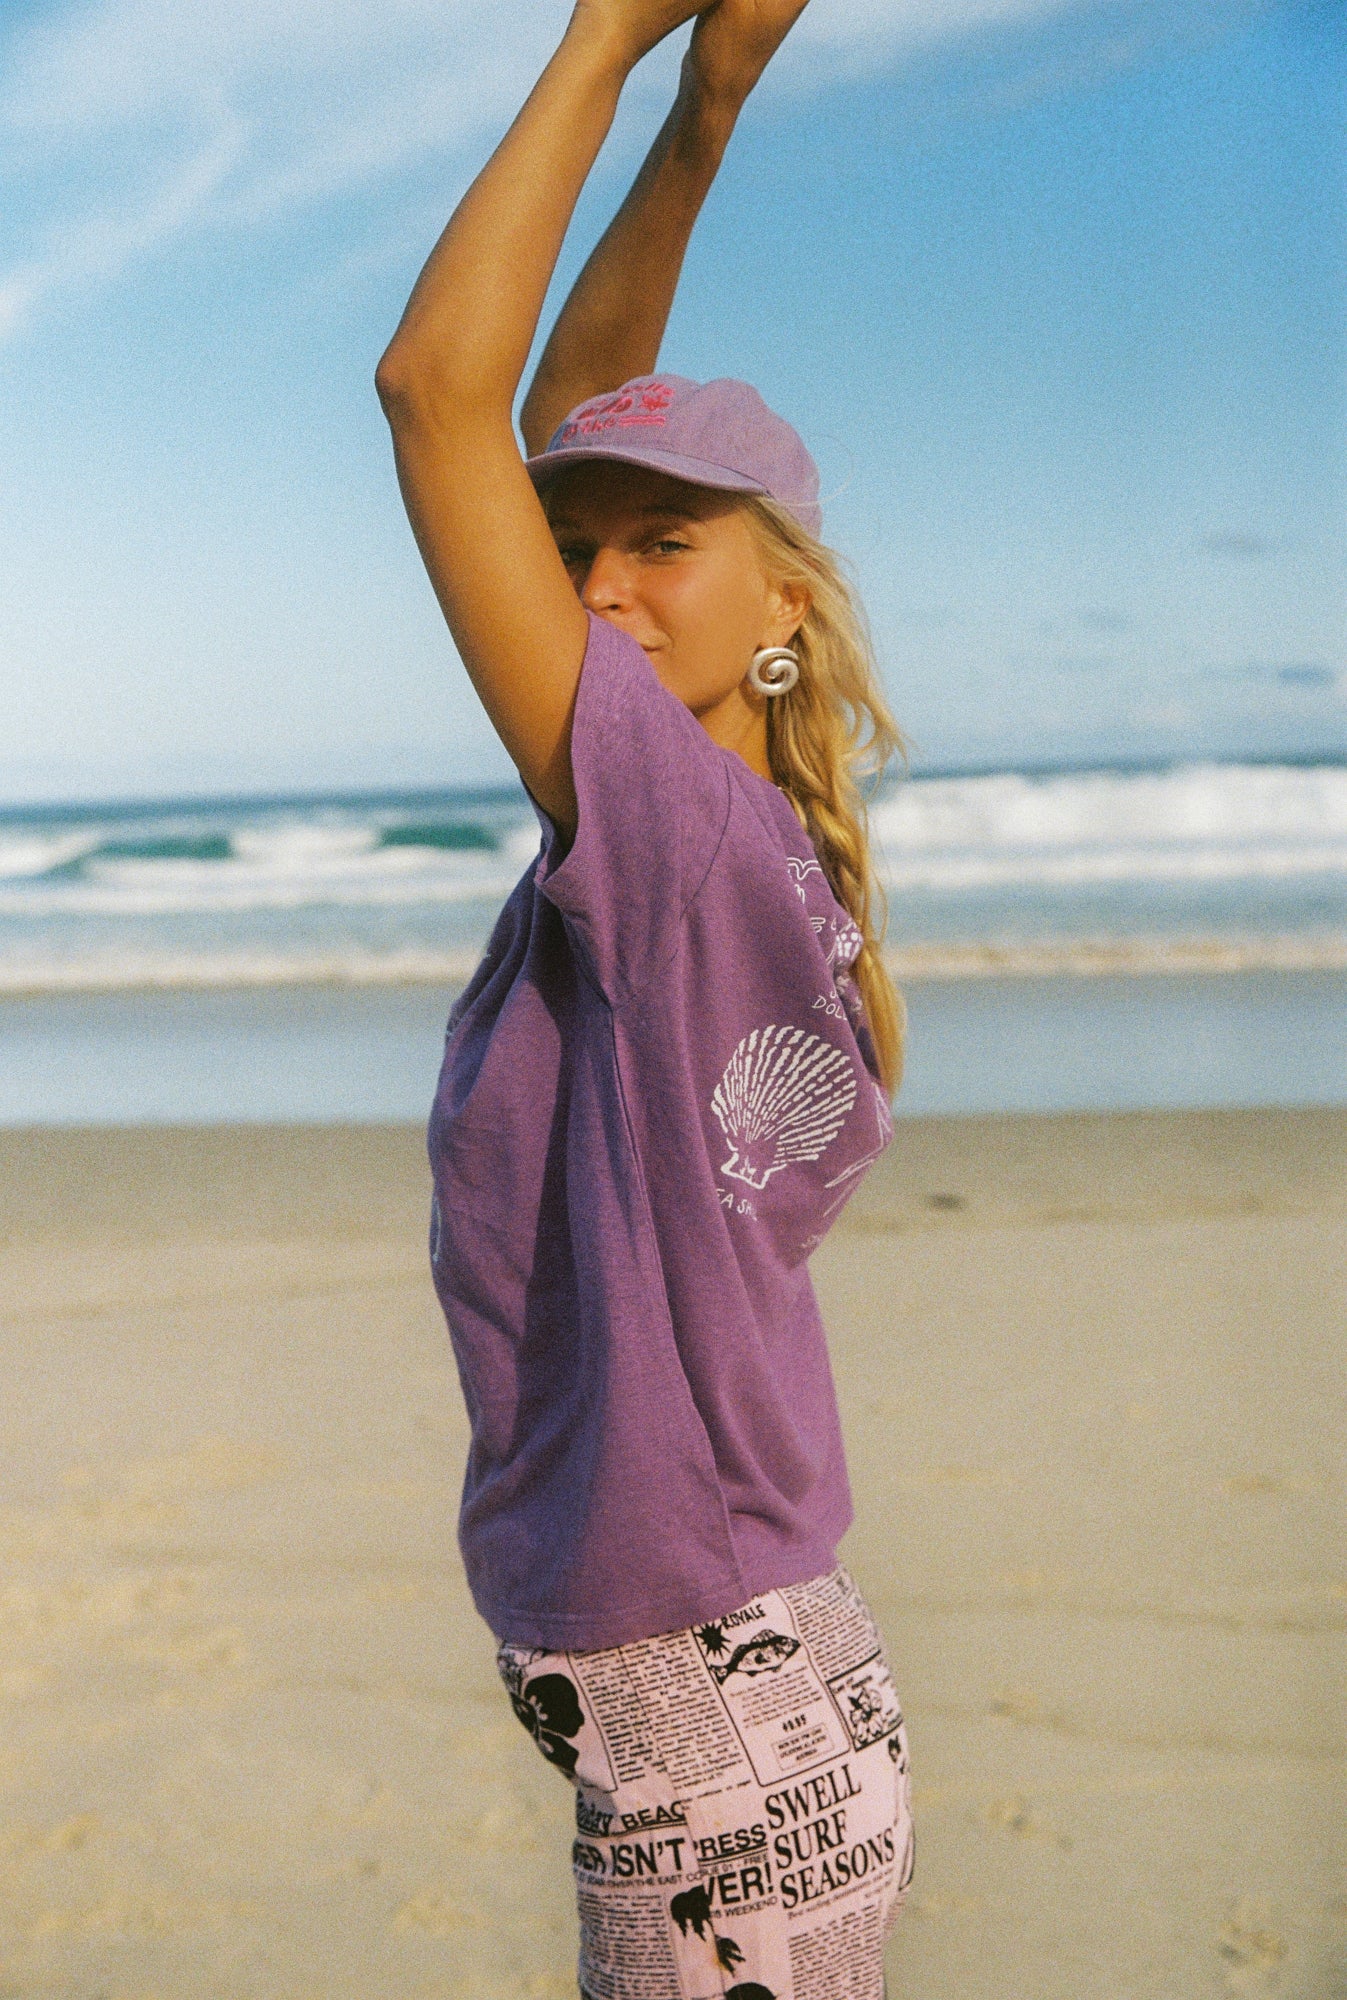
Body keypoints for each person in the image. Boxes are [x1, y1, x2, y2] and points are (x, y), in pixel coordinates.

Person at [376, 3, 914, 1993]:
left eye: (661, 548)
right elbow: (560, 425)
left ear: (783, 601)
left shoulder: (675, 845)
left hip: (717, 1723)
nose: (592, 588)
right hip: (737, 1695)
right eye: (571, 554)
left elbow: (443, 396)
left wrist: (605, 25)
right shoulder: (735, 853)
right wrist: (702, 109)